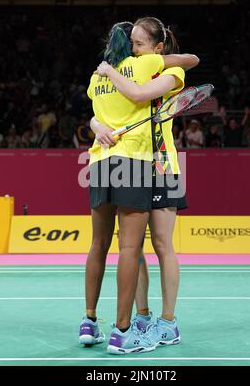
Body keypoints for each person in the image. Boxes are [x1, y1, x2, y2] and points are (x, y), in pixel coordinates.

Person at [79, 18, 199, 354]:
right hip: (137, 163)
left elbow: (180, 66)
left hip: (162, 166)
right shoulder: (135, 65)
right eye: (131, 43)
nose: (134, 49)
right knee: (135, 247)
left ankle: (167, 320)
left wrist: (110, 73)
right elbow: (100, 110)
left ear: (158, 47)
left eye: (140, 44)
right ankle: (139, 316)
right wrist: (95, 121)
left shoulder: (165, 73)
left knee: (160, 245)